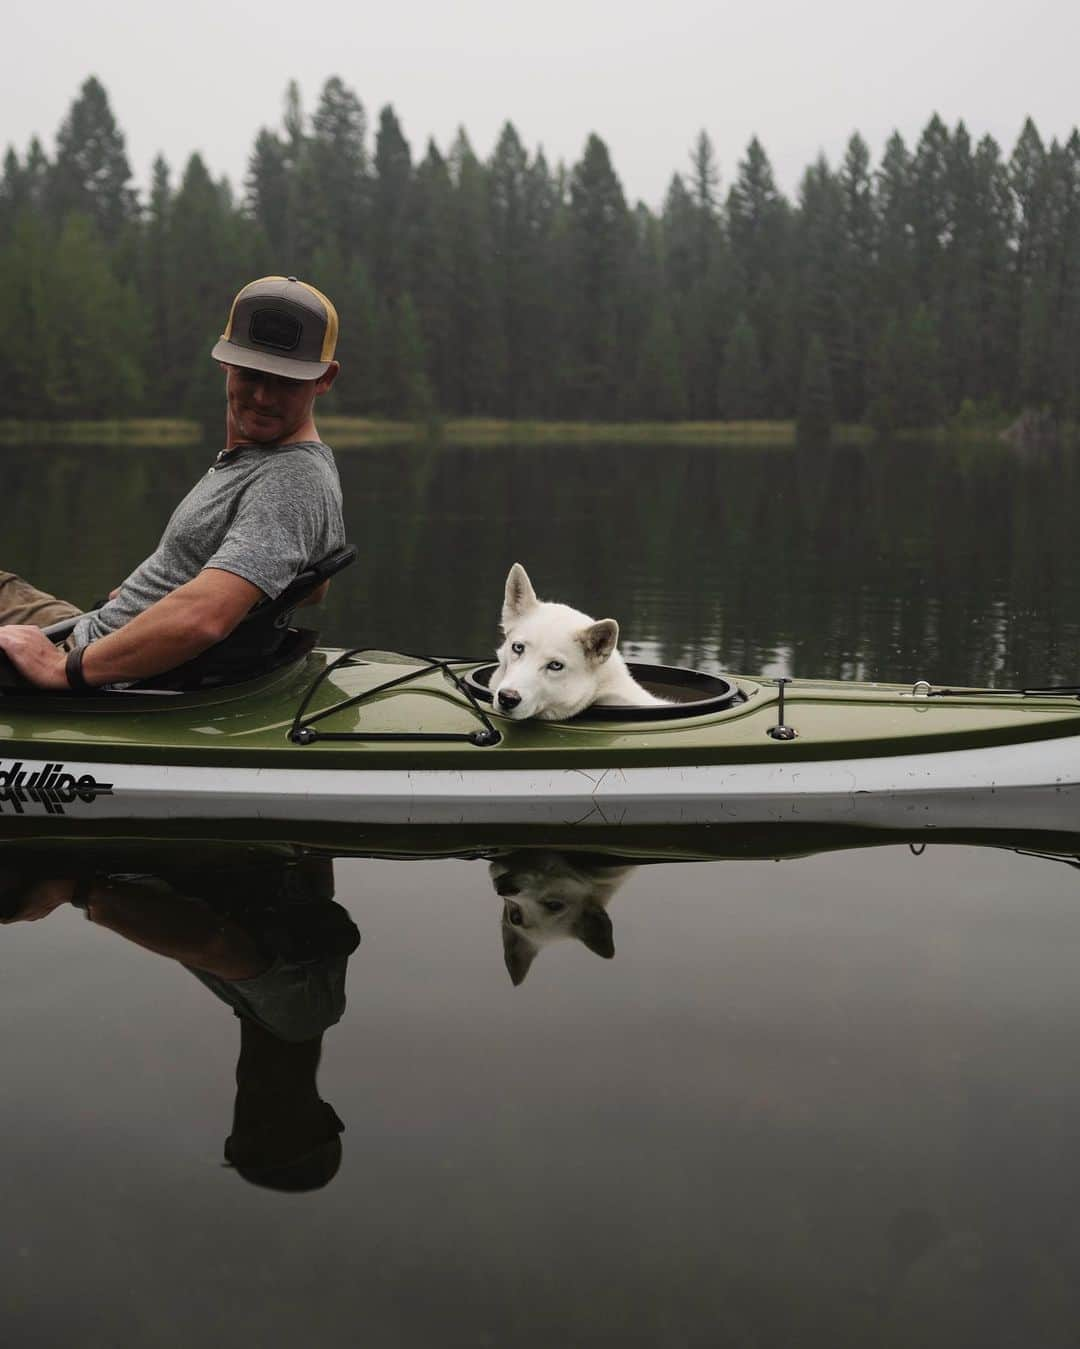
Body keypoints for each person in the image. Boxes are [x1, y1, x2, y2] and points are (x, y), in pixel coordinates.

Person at [0, 275, 345, 691]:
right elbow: (311, 586)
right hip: (96, 627)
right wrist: (160, 598)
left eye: (287, 381)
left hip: (80, 654)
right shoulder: (261, 461)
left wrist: (63, 670)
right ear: (225, 362)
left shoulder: (289, 482)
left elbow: (203, 619)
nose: (263, 398)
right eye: (251, 374)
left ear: (325, 378)